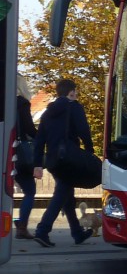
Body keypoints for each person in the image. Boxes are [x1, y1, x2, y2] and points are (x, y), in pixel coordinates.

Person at [31, 78, 96, 247]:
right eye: (75, 92)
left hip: (52, 160)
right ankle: (42, 230)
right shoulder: (74, 107)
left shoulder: (48, 112)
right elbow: (84, 130)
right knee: (62, 193)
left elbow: (39, 140)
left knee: (67, 194)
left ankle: (77, 233)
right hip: (69, 158)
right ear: (71, 92)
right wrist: (89, 151)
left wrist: (37, 164)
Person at [13, 74, 37, 240]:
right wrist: (41, 136)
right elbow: (29, 128)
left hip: (5, 150)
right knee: (29, 191)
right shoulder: (22, 103)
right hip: (20, 154)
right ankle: (22, 227)